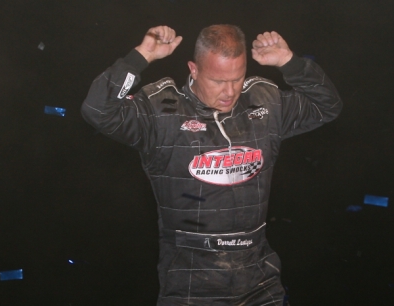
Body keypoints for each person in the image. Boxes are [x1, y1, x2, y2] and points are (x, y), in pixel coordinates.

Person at [81, 24, 342, 305]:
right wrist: (141, 55)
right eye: (218, 81)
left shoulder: (264, 102)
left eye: (237, 78)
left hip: (259, 283)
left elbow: (327, 106)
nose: (230, 92)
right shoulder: (161, 110)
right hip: (191, 286)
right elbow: (97, 111)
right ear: (193, 69)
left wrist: (289, 63)